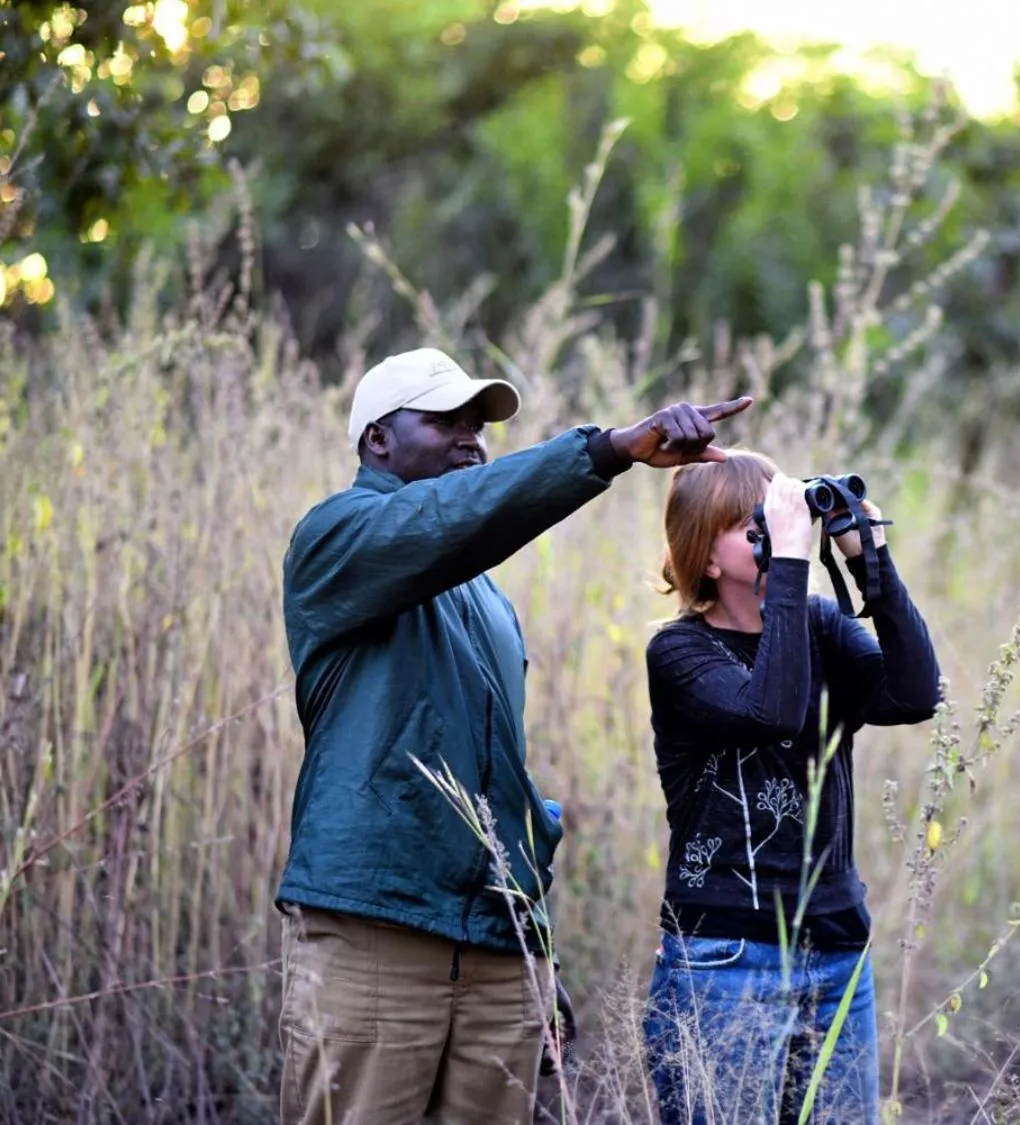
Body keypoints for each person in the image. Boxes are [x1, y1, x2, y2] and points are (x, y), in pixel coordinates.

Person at [275, 346, 751, 1124]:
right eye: (444, 420)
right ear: (377, 441)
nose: (471, 437)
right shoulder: (334, 540)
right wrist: (607, 451)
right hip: (377, 930)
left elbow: (496, 782)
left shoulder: (486, 596)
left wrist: (534, 947)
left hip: (497, 949)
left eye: (478, 424)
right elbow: (446, 520)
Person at [640, 453, 942, 1125]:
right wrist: (794, 565)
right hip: (725, 958)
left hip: (836, 949)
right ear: (706, 560)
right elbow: (768, 709)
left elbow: (916, 693)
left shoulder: (821, 626)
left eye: (773, 514)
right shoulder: (678, 652)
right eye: (749, 525)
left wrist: (872, 562)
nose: (773, 530)